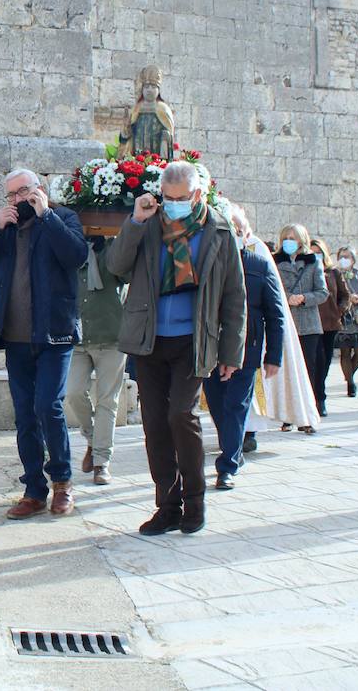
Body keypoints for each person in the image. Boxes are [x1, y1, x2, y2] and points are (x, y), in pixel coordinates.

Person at [105, 161, 246, 535]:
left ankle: (195, 504)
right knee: (154, 422)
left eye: (180, 199)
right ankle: (167, 506)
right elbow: (116, 266)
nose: (173, 205)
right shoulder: (149, 223)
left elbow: (234, 295)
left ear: (197, 194)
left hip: (194, 340)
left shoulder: (218, 229)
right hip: (149, 338)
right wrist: (134, 221)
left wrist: (232, 353)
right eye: (168, 198)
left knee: (180, 415)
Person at [0, 169, 89, 518]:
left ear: (40, 190)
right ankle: (34, 490)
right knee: (24, 416)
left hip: (55, 335)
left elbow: (76, 256)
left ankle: (62, 484)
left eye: (23, 192)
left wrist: (47, 215)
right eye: (11, 195)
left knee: (48, 406)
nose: (17, 200)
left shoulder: (62, 218)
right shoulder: (4, 229)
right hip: (15, 338)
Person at [204, 205, 285, 489]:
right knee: (217, 405)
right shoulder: (207, 263)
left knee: (236, 405)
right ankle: (233, 451)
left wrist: (274, 355)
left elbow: (275, 315)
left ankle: (227, 466)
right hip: (211, 350)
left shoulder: (259, 266)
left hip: (246, 350)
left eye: (236, 228)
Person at [231, 207, 321, 444]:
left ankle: (248, 432)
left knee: (251, 387)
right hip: (227, 329)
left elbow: (273, 299)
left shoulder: (257, 249)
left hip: (252, 330)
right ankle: (232, 433)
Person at [68, 236, 128, 485]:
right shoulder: (71, 249)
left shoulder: (115, 249)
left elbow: (126, 269)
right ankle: (92, 439)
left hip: (111, 337)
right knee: (73, 392)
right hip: (79, 340)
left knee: (107, 401)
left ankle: (101, 461)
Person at [273, 224, 330, 417]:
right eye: (286, 237)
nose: (289, 241)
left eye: (293, 237)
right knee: (285, 370)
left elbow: (322, 292)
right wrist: (287, 297)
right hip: (285, 322)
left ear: (301, 239)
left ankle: (310, 409)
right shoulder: (274, 261)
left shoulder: (314, 262)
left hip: (308, 323)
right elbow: (272, 289)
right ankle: (288, 414)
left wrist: (304, 298)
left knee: (309, 368)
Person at [311, 238, 350, 408]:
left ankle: (319, 392)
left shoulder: (334, 273)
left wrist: (339, 311)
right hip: (310, 323)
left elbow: (345, 295)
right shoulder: (306, 270)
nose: (315, 255)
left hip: (329, 323)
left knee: (325, 360)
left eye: (318, 252)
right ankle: (318, 397)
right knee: (315, 360)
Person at [334, 246, 358, 397]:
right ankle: (351, 384)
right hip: (343, 318)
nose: (344, 259)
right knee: (345, 351)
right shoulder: (334, 274)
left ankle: (348, 374)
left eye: (347, 256)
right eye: (341, 256)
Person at [118, 65, 176, 156]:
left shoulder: (164, 109)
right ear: (142, 89)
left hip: (157, 155)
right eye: (146, 86)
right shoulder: (135, 109)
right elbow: (127, 135)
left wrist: (166, 137)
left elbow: (169, 133)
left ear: (158, 90)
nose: (149, 90)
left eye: (153, 86)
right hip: (136, 155)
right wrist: (125, 132)